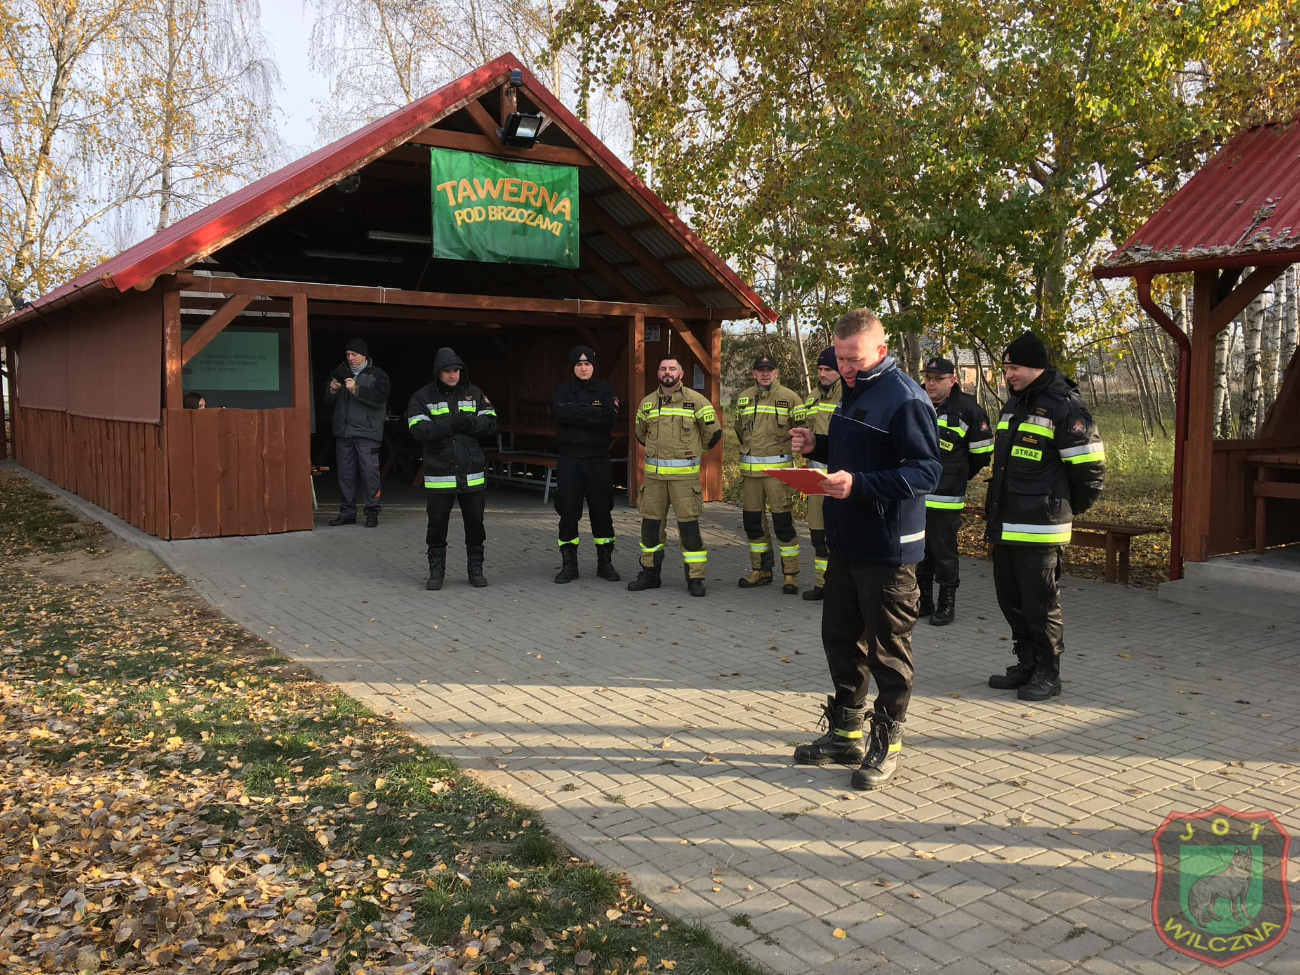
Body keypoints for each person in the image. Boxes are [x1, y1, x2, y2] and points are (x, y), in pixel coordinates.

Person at [789, 309, 941, 790]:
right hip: (847, 544)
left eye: (854, 359)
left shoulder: (906, 398)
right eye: (840, 358)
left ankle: (887, 743)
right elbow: (859, 454)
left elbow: (925, 471)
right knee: (840, 640)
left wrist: (857, 484)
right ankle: (844, 734)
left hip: (888, 549)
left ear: (881, 348)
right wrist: (819, 447)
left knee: (888, 652)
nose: (846, 368)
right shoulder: (853, 394)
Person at [986, 331, 1105, 702]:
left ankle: (1048, 672)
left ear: (1037, 367)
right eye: (1006, 367)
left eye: (1015, 367)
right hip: (1006, 524)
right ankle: (1026, 662)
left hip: (1041, 528)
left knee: (1041, 604)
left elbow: (1090, 471)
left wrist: (1062, 509)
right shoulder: (1014, 404)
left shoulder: (1065, 406)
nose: (1008, 374)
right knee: (1010, 599)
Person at [627, 354, 722, 597]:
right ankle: (650, 574)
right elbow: (640, 434)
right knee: (650, 529)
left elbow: (713, 433)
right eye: (662, 368)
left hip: (684, 480)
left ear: (681, 374)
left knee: (689, 530)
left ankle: (695, 578)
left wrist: (693, 452)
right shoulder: (647, 403)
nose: (667, 372)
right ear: (658, 374)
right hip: (654, 480)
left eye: (672, 368)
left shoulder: (697, 401)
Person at [406, 347, 498, 590]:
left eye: (456, 370)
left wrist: (472, 424)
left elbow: (491, 423)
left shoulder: (474, 393)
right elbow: (418, 430)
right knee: (436, 526)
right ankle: (436, 573)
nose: (452, 375)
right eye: (447, 371)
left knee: (475, 524)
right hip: (440, 474)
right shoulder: (422, 397)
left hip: (472, 473)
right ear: (438, 372)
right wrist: (451, 424)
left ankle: (475, 570)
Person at [918, 356, 994, 625]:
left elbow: (982, 454)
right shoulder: (916, 403)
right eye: (928, 378)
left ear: (953, 381)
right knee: (920, 551)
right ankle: (923, 600)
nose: (931, 383)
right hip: (916, 495)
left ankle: (946, 602)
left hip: (947, 497)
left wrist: (959, 474)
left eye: (938, 379)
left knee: (944, 553)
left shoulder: (968, 409)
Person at [734, 354, 807, 592]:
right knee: (753, 524)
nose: (765, 374)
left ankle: (790, 574)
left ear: (777, 373)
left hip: (779, 476)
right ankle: (761, 570)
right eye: (760, 370)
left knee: (783, 523)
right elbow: (739, 431)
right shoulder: (744, 398)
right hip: (751, 477)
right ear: (754, 373)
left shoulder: (790, 398)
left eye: (769, 370)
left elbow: (803, 432)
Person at [553, 345, 621, 584]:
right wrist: (591, 411)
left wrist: (576, 412)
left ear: (593, 366)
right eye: (579, 364)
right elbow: (560, 415)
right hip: (570, 460)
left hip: (598, 461)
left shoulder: (605, 388)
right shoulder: (562, 390)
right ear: (573, 367)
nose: (583, 368)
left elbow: (609, 418)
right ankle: (569, 565)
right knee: (568, 513)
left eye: (587, 364)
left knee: (602, 513)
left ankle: (605, 563)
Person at [324, 338, 390, 528]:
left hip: (367, 433)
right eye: (348, 354)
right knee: (345, 474)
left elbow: (380, 398)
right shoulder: (338, 373)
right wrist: (331, 390)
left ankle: (372, 512)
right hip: (344, 433)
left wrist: (357, 390)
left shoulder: (378, 375)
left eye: (355, 354)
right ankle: (347, 513)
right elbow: (326, 402)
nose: (351, 358)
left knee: (370, 474)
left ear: (364, 355)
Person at [801, 347, 842, 601]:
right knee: (818, 534)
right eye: (820, 369)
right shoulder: (813, 396)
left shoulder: (849, 395)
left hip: (839, 478)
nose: (823, 374)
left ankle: (841, 588)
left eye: (828, 369)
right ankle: (822, 584)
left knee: (839, 534)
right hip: (816, 478)